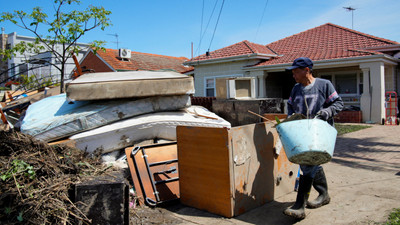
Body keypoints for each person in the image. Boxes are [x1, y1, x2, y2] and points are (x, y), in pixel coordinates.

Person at [283, 57, 344, 219]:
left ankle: (299, 206)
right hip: (302, 132)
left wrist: (326, 112)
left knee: (309, 164)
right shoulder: (296, 89)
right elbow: (290, 106)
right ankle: (324, 195)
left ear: (307, 70)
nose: (293, 74)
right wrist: (290, 120)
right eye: (293, 72)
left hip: (320, 132)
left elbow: (338, 104)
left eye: (296, 71)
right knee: (309, 162)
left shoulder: (324, 85)